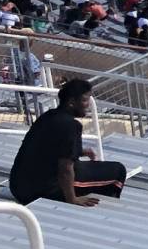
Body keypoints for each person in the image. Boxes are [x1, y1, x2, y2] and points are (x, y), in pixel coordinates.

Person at [8, 77, 126, 206]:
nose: (88, 104)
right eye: (85, 100)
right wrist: (72, 199)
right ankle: (101, 208)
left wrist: (81, 151)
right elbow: (65, 168)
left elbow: (48, 148)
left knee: (82, 165)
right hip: (44, 190)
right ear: (71, 102)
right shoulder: (71, 125)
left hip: (18, 188)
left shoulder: (48, 116)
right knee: (118, 170)